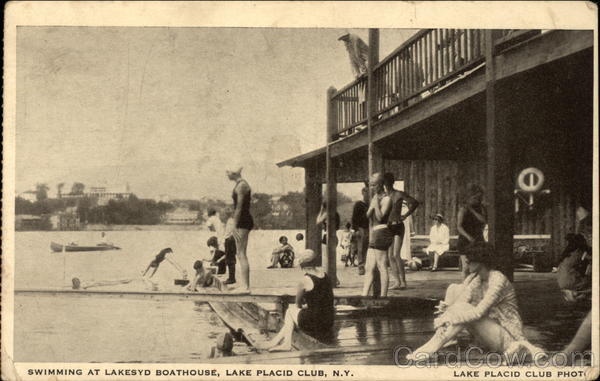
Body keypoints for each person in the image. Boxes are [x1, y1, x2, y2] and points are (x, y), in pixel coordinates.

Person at [407, 242, 545, 362]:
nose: (466, 263)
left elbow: (478, 313)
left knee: (464, 310)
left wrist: (448, 319)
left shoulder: (497, 279)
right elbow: (460, 303)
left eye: (469, 261)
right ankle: (432, 346)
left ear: (480, 261)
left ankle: (430, 349)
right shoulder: (478, 280)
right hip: (490, 335)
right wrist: (444, 317)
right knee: (459, 304)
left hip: (509, 338)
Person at [258, 249, 334, 351]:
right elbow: (324, 299)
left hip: (315, 322)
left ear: (302, 263)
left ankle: (286, 344)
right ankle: (275, 342)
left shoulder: (304, 280)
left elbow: (297, 304)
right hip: (328, 320)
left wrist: (304, 306)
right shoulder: (325, 275)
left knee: (290, 311)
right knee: (295, 314)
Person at [383, 172, 419, 290]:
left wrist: (406, 215)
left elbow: (414, 202)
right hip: (388, 227)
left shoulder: (398, 194)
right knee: (390, 256)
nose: (386, 184)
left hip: (398, 226)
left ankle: (403, 282)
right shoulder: (384, 196)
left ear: (391, 182)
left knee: (396, 254)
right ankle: (397, 282)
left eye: (388, 182)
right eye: (385, 182)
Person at [362, 173, 393, 297]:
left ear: (381, 185)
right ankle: (364, 295)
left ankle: (383, 296)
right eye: (371, 185)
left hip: (382, 231)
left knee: (382, 266)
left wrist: (375, 204)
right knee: (369, 267)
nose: (372, 188)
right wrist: (373, 204)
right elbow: (368, 215)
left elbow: (380, 217)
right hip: (375, 233)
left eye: (374, 185)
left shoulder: (387, 199)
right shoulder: (375, 198)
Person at [227, 166, 253, 293]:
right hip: (242, 220)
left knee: (241, 253)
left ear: (234, 172)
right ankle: (243, 284)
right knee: (239, 253)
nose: (226, 174)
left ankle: (246, 287)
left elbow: (239, 207)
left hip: (243, 221)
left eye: (228, 171)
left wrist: (234, 225)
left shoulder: (241, 185)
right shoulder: (239, 184)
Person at [457, 184, 487, 279]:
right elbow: (459, 226)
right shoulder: (463, 209)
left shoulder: (481, 208)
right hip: (465, 239)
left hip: (478, 238)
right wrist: (468, 237)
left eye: (479, 198)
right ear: (470, 197)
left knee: (479, 266)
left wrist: (472, 210)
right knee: (466, 267)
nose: (478, 200)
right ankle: (465, 288)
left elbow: (483, 220)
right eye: (475, 198)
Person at [556, 233, 591, 302]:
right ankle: (577, 293)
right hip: (570, 281)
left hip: (561, 282)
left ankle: (576, 293)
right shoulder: (579, 252)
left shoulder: (567, 253)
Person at [316, 200, 341, 286]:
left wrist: (321, 210)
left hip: (327, 237)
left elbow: (318, 221)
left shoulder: (327, 214)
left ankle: (332, 279)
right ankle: (334, 278)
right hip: (335, 237)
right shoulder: (336, 214)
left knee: (325, 260)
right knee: (331, 260)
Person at [351, 185, 370, 275]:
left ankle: (368, 265)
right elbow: (354, 218)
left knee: (369, 248)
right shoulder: (359, 204)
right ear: (363, 193)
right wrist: (355, 229)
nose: (368, 194)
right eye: (366, 192)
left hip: (370, 228)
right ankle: (361, 267)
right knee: (361, 248)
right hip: (361, 228)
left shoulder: (371, 204)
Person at [222, 217, 237, 285]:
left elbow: (233, 230)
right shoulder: (230, 220)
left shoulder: (232, 220)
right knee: (229, 260)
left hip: (230, 239)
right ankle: (231, 277)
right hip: (228, 239)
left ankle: (232, 278)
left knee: (230, 260)